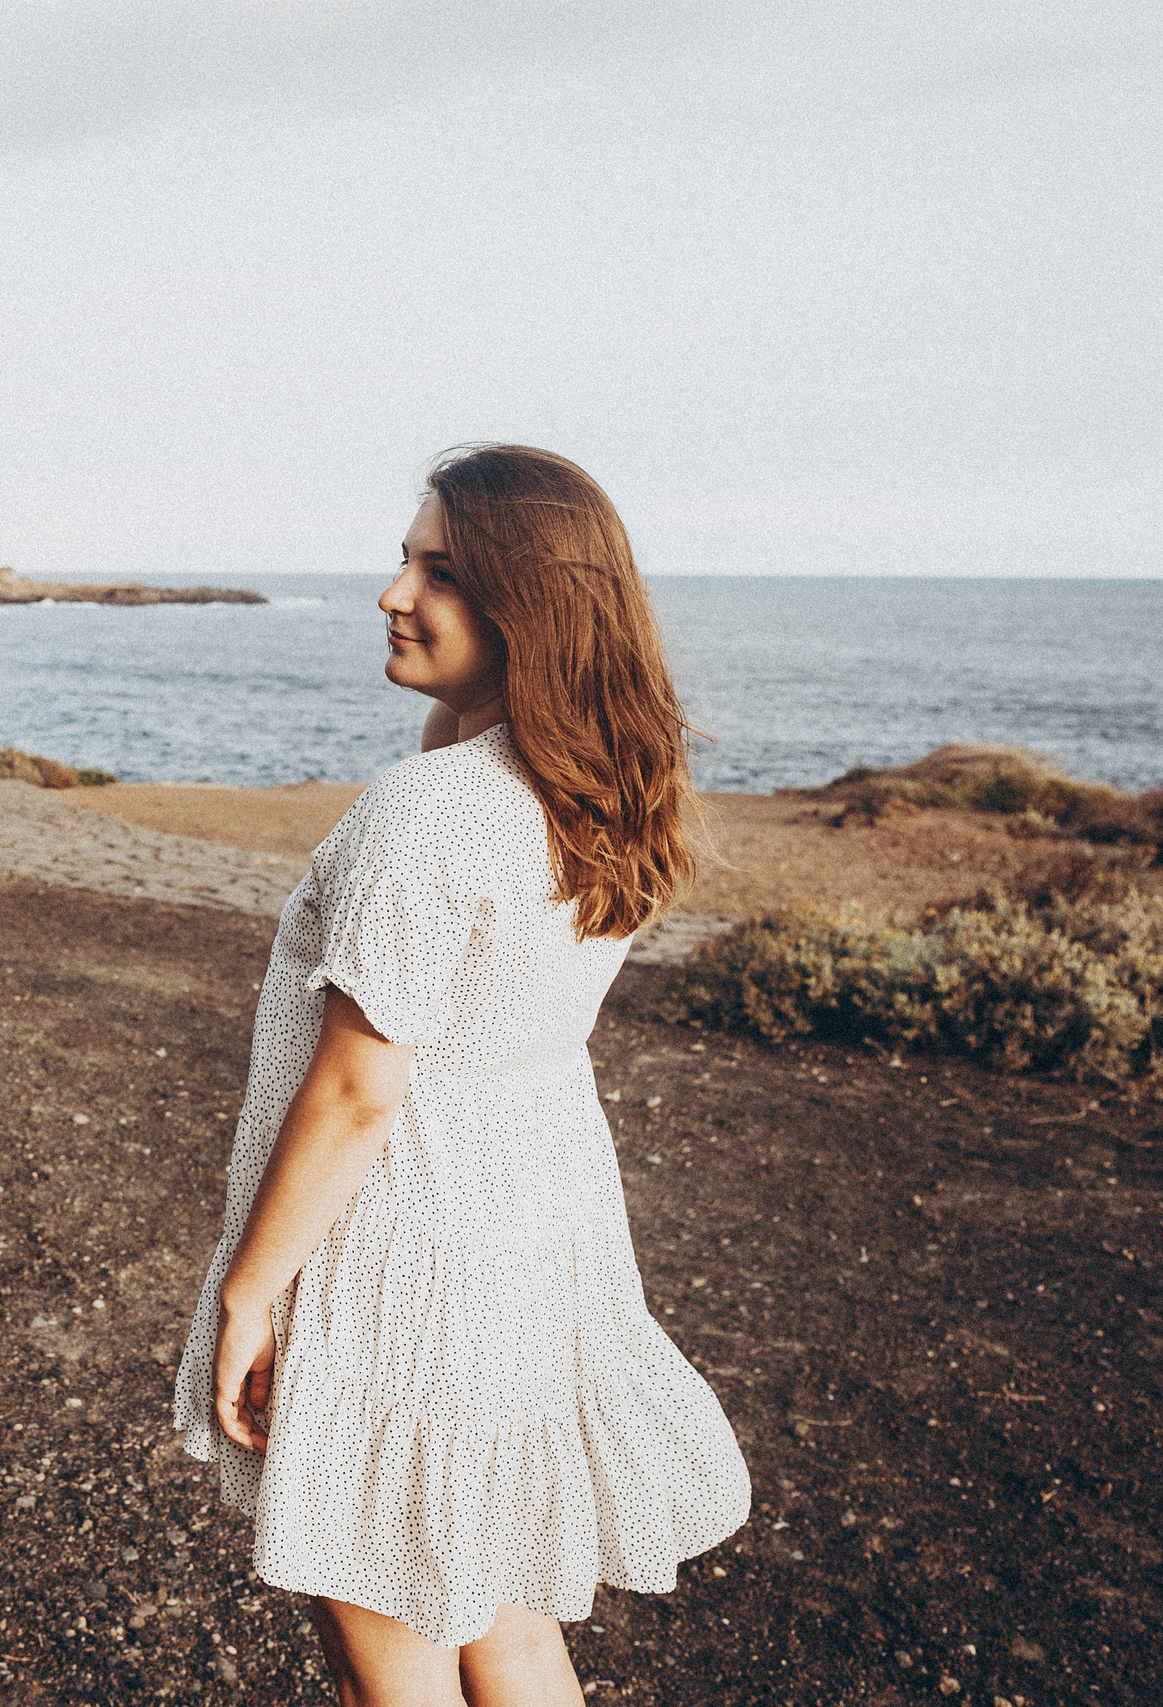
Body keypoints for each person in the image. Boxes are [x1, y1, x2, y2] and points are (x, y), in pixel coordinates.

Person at [172, 445, 751, 1705]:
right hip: (532, 1242)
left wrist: (246, 1295)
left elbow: (356, 1088)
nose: (391, 591)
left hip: (405, 1259)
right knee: (507, 1623)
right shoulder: (596, 792)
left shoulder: (427, 815)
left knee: (392, 1658)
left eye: (440, 569)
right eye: (403, 557)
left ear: (526, 609)